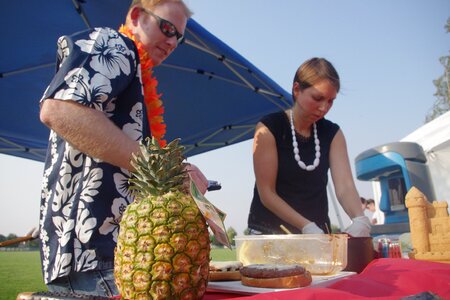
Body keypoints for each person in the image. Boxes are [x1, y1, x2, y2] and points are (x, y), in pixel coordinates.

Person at [38, 0, 207, 296]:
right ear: (136, 15)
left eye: (179, 37)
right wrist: (165, 170)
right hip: (96, 251)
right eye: (167, 28)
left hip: (113, 253)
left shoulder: (137, 74)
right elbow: (59, 110)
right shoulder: (116, 44)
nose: (172, 41)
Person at [247, 57, 371, 237]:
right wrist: (306, 226)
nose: (324, 108)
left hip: (318, 235)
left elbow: (345, 186)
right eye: (318, 98)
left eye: (330, 101)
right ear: (297, 90)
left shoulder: (332, 133)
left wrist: (359, 218)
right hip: (271, 234)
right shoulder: (269, 129)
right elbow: (266, 193)